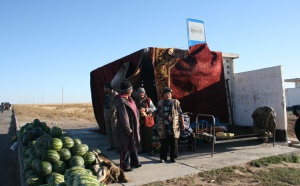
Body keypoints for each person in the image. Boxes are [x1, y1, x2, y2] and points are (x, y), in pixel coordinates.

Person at [115, 81, 141, 171]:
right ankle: (125, 166)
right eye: (131, 89)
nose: (132, 90)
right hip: (125, 127)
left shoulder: (130, 99)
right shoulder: (121, 101)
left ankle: (135, 162)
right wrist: (127, 128)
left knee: (133, 144)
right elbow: (124, 117)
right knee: (125, 145)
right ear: (128, 90)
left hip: (133, 125)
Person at [155, 87, 185, 163]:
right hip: (163, 126)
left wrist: (183, 124)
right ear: (163, 95)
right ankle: (163, 158)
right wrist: (148, 113)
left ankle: (173, 157)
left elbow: (181, 114)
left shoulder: (176, 102)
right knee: (163, 143)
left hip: (173, 126)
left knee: (173, 143)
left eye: (169, 93)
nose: (167, 95)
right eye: (165, 93)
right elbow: (155, 112)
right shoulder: (160, 103)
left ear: (171, 94)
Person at [135, 87, 156, 155]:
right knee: (142, 135)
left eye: (142, 92)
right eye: (140, 93)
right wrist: (138, 111)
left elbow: (154, 108)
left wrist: (146, 110)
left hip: (148, 120)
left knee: (149, 136)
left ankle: (150, 149)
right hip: (140, 121)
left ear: (144, 93)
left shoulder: (148, 100)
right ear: (138, 94)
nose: (141, 94)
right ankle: (143, 148)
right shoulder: (136, 101)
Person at [103, 82, 120, 152]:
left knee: (114, 130)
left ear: (108, 88)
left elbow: (119, 102)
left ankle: (118, 146)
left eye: (105, 88)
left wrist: (114, 107)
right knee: (108, 130)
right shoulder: (106, 95)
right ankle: (112, 145)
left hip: (113, 114)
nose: (104, 89)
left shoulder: (115, 94)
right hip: (107, 113)